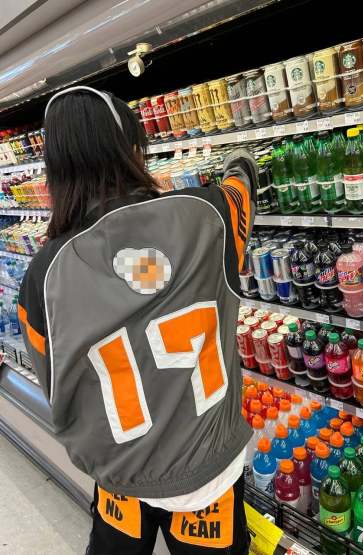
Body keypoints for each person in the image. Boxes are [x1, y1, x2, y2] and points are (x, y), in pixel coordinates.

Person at [18, 86, 257, 554]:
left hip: (120, 476)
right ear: (131, 151)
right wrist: (239, 163)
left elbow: (54, 388)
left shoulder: (43, 275)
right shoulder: (207, 214)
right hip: (207, 475)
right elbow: (241, 188)